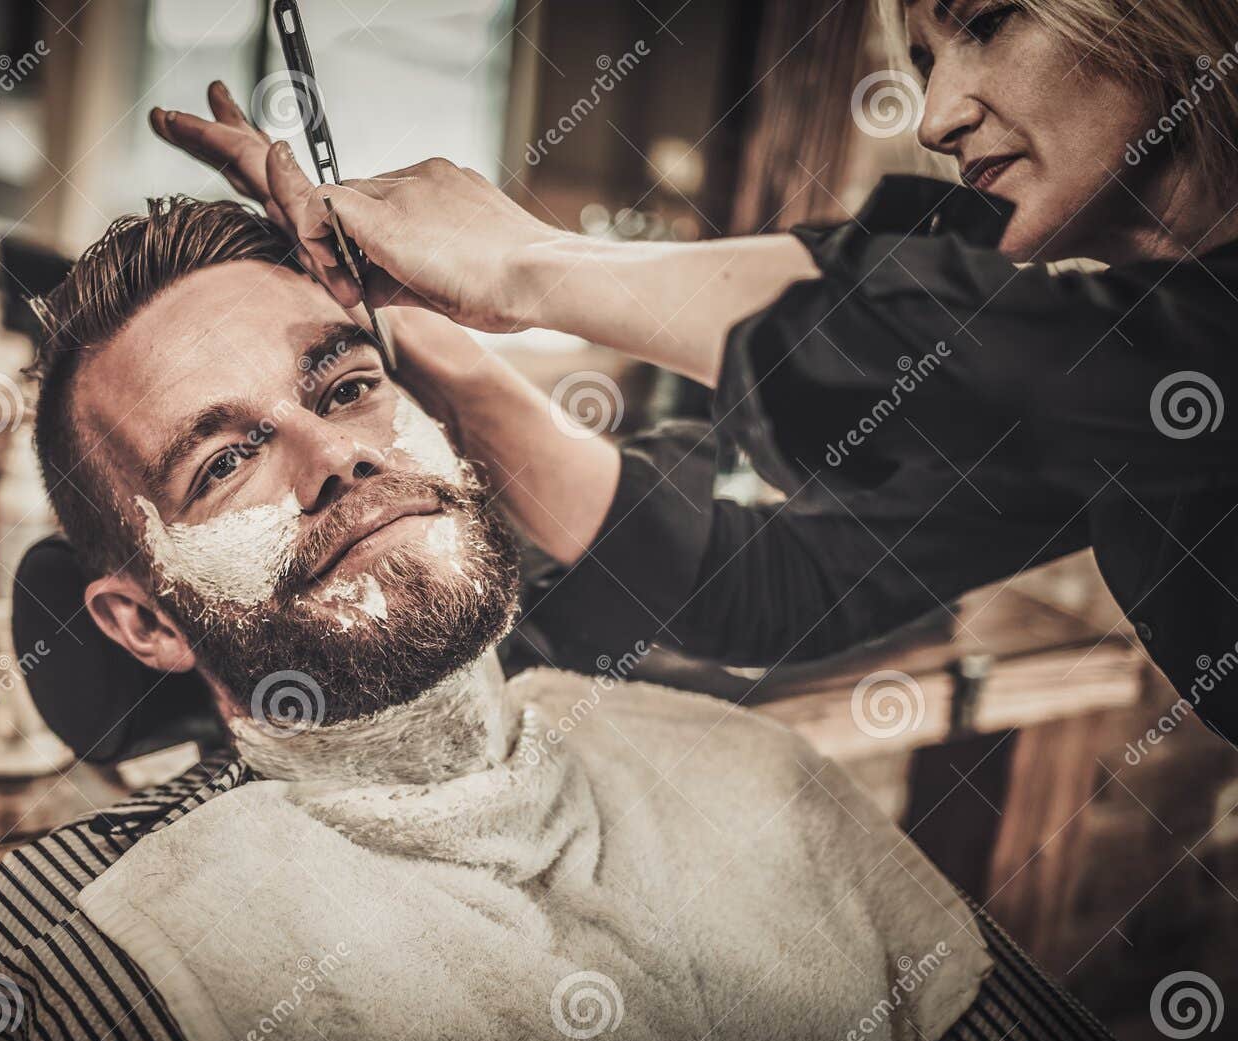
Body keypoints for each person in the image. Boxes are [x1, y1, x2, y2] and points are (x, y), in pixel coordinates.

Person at [0, 196, 1129, 1041]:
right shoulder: (87, 938)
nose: (337, 456)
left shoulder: (752, 775)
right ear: (142, 620)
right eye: (224, 459)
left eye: (349, 384)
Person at [152, 0, 1238, 743]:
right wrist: (423, 345)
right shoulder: (1102, 374)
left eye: (988, 23)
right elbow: (766, 585)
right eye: (919, 63)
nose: (939, 114)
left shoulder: (1147, 353)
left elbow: (911, 337)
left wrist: (529, 265)